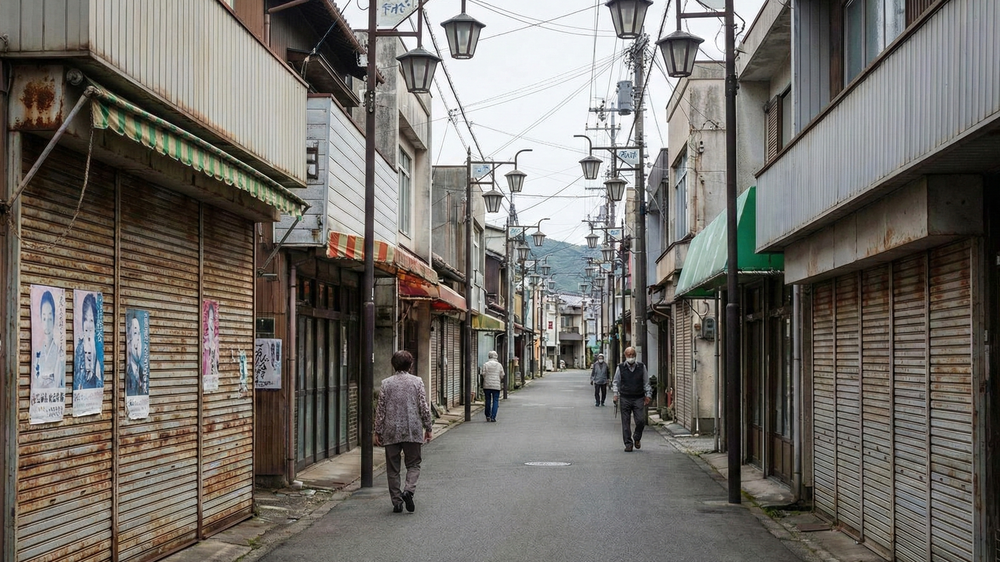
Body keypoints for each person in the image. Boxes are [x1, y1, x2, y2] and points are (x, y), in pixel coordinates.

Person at [373, 350, 433, 513]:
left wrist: (377, 430)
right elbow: (423, 406)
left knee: (393, 468)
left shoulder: (386, 383)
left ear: (393, 365)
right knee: (413, 464)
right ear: (410, 365)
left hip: (391, 430)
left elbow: (381, 409)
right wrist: (428, 427)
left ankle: (397, 502)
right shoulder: (417, 381)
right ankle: (408, 490)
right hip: (412, 429)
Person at [611, 347, 651, 452]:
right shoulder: (620, 367)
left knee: (640, 420)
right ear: (625, 355)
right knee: (625, 422)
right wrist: (615, 394)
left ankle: (637, 437)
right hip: (625, 397)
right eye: (628, 354)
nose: (631, 356)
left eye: (632, 354)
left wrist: (648, 395)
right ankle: (628, 444)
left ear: (635, 355)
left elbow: (646, 382)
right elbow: (616, 382)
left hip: (638, 397)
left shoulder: (642, 367)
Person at [73, 293, 103, 390]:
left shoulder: (99, 351)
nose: (88, 325)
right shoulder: (79, 348)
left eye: (91, 320)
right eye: (86, 319)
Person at [34, 290, 62, 389]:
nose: (47, 325)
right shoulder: (37, 350)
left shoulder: (58, 349)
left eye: (50, 319)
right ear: (40, 319)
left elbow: (59, 382)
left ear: (54, 319)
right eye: (44, 318)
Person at [125, 315, 148, 397]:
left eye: (139, 333)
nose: (138, 338)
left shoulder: (143, 372)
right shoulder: (127, 373)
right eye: (135, 333)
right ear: (128, 338)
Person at [479, 350, 505, 422]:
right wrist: (498, 378)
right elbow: (502, 374)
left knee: (487, 400)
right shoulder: (499, 365)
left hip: (487, 385)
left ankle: (487, 415)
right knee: (495, 400)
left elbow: (483, 374)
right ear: (496, 356)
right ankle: (493, 417)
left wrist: (486, 378)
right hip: (496, 385)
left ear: (489, 356)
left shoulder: (485, 364)